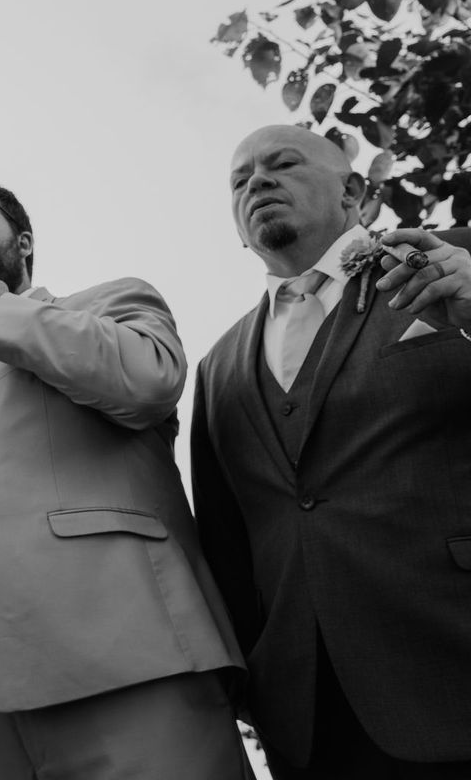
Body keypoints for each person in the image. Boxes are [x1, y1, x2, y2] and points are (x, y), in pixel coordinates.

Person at [0, 171, 249, 780]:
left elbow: (149, 383)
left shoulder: (109, 302)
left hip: (123, 650)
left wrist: (0, 310)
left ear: (23, 242)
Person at [192, 124, 471, 779]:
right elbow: (226, 542)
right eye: (240, 180)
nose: (258, 181)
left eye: (282, 163)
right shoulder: (216, 368)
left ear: (356, 192)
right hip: (310, 718)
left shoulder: (453, 258)